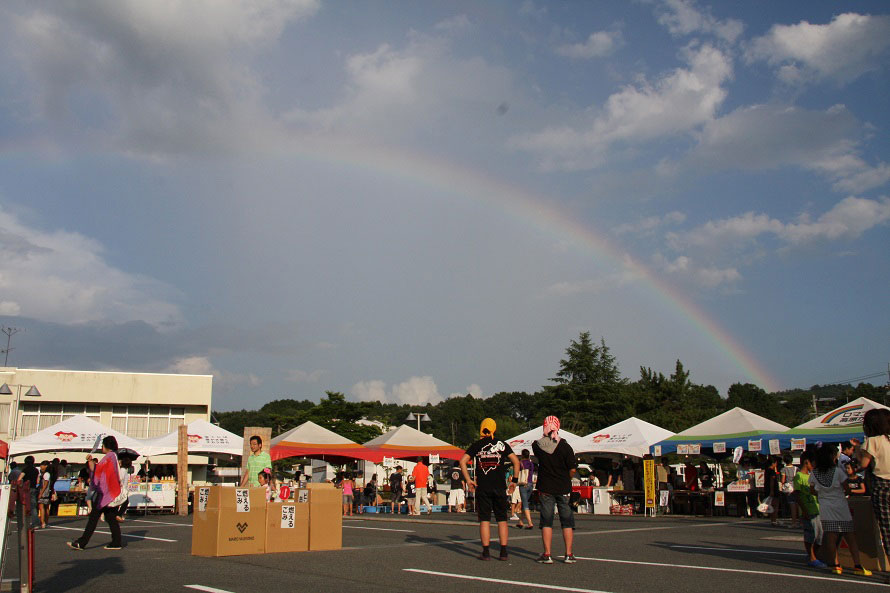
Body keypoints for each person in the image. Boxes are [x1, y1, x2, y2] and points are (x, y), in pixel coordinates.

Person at [460, 417, 520, 561]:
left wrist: (468, 480)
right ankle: (503, 551)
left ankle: (486, 552)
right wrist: (515, 481)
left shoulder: (477, 445)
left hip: (483, 487)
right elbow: (516, 462)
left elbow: (462, 461)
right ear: (494, 428)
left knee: (485, 520)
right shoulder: (501, 444)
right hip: (499, 486)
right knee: (502, 519)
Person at [810, 443, 871, 576]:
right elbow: (847, 488)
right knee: (850, 536)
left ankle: (836, 565)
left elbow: (812, 490)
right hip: (840, 504)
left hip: (825, 506)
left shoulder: (814, 472)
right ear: (832, 457)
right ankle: (858, 566)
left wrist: (823, 494)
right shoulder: (837, 471)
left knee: (830, 536)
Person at [532, 415, 578, 564]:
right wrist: (566, 477)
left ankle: (547, 553)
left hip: (546, 486)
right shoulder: (565, 446)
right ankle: (568, 554)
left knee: (546, 521)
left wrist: (546, 435)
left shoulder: (538, 445)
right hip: (563, 486)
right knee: (567, 521)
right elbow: (572, 468)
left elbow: (542, 445)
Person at [68, 436, 123, 551]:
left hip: (104, 493)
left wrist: (91, 462)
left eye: (102, 445)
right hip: (109, 492)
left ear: (106, 446)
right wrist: (90, 461)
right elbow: (100, 470)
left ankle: (82, 543)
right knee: (111, 518)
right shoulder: (113, 456)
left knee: (94, 518)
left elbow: (99, 471)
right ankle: (116, 542)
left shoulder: (109, 456)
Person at [858, 408, 890, 558]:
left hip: (882, 486)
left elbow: (864, 464)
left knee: (887, 528)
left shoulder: (872, 441)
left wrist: (859, 452)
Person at [794, 451, 826, 568]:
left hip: (817, 508)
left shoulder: (812, 476)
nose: (813, 466)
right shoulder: (799, 476)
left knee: (820, 535)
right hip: (808, 510)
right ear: (806, 462)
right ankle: (812, 557)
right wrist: (804, 510)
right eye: (812, 463)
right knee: (810, 535)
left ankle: (814, 555)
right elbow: (797, 495)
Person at [516, 449, 535, 529]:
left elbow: (516, 471)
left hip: (523, 484)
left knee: (525, 503)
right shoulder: (531, 463)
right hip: (530, 484)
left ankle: (530, 522)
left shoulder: (520, 463)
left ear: (522, 455)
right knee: (524, 503)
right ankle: (521, 521)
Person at [780, 454, 799, 528]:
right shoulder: (796, 468)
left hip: (789, 488)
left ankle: (793, 522)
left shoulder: (784, 469)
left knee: (792, 505)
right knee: (798, 505)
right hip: (796, 487)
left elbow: (783, 480)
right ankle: (800, 521)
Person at [765, 456, 780, 526]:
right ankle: (774, 520)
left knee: (771, 505)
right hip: (773, 489)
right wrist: (772, 490)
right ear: (774, 463)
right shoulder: (772, 471)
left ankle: (772, 520)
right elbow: (772, 480)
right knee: (775, 505)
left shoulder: (766, 470)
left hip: (767, 489)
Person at [116, 457, 132, 522]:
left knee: (119, 502)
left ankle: (117, 514)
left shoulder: (124, 470)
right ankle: (118, 515)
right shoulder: (123, 470)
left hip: (123, 489)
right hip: (122, 489)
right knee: (125, 502)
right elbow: (120, 478)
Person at [37, 460, 52, 529]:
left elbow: (45, 485)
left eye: (42, 465)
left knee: (42, 507)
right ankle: (46, 522)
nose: (41, 466)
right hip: (46, 492)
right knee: (46, 507)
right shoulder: (45, 474)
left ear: (46, 466)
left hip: (44, 492)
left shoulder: (46, 474)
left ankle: (43, 522)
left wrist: (41, 493)